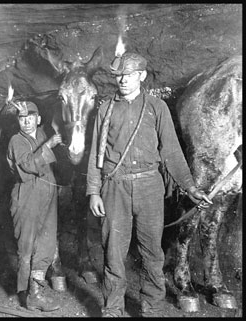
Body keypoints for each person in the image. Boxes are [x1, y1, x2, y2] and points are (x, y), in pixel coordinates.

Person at [86, 52, 213, 317]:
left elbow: (172, 152)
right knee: (113, 254)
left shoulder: (157, 107)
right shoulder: (105, 108)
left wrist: (190, 187)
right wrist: (93, 192)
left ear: (141, 76)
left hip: (149, 187)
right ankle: (113, 309)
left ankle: (151, 310)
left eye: (129, 75)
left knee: (152, 254)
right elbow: (95, 156)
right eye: (119, 76)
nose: (123, 81)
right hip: (114, 188)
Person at [6, 100, 63, 312]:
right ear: (18, 121)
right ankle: (28, 295)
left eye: (31, 118)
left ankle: (36, 290)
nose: (27, 122)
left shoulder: (41, 133)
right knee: (26, 246)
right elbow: (29, 164)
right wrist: (48, 145)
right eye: (22, 118)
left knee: (47, 242)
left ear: (38, 119)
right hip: (27, 194)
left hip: (48, 193)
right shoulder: (15, 141)